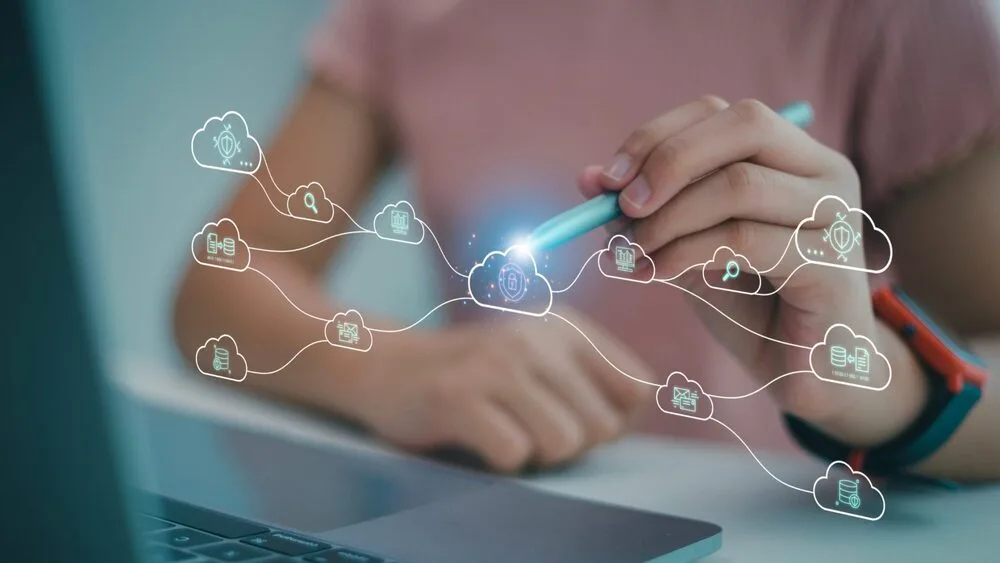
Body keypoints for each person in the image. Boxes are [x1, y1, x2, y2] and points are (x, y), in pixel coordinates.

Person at [175, 0, 1000, 480]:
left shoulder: (898, 15)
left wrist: (861, 385)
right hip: (509, 511)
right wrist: (394, 367)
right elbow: (221, 277)